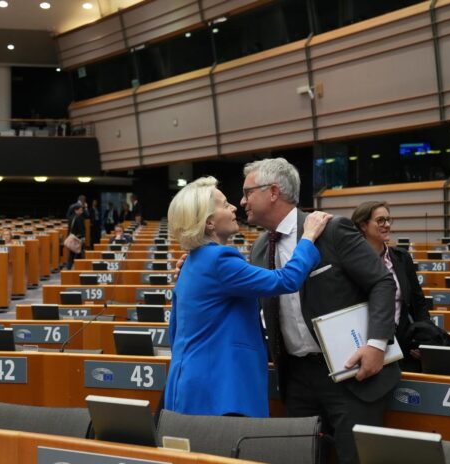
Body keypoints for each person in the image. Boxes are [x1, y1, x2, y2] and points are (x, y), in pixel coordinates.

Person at [243, 158, 398, 464]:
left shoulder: (332, 230)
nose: (242, 201)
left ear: (273, 192)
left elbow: (381, 282)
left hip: (351, 372)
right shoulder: (260, 248)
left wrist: (376, 344)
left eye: (248, 192)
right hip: (296, 376)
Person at [165, 176, 332, 417]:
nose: (234, 207)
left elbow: (175, 331)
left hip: (190, 382)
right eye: (225, 204)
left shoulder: (192, 263)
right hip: (222, 387)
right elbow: (286, 280)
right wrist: (308, 237)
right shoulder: (219, 259)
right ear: (209, 222)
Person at [351, 201, 431, 372]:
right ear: (363, 225)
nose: (387, 225)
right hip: (366, 344)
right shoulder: (351, 261)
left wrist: (424, 340)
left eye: (388, 220)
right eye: (380, 220)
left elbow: (418, 303)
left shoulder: (402, 258)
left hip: (404, 344)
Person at [66, 204, 86, 269]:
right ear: (76, 210)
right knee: (78, 253)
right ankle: (77, 268)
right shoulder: (79, 218)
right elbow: (81, 229)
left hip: (72, 238)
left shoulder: (70, 217)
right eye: (80, 210)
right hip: (78, 238)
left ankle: (70, 268)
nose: (82, 211)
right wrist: (83, 237)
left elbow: (69, 229)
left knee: (73, 254)